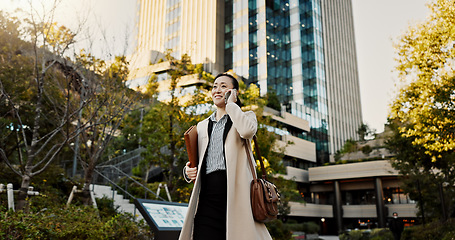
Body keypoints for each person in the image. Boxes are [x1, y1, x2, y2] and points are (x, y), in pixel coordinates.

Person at [178, 73, 272, 240]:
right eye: (215, 86)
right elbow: (198, 160)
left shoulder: (246, 117)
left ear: (233, 92)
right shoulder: (202, 126)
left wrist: (231, 105)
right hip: (206, 198)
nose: (217, 90)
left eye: (223, 86)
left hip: (235, 198)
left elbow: (247, 131)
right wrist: (187, 171)